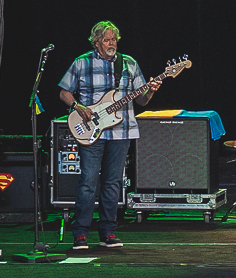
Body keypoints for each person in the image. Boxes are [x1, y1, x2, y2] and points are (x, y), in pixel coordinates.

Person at [57, 21, 166, 251]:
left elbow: (141, 100)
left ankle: (108, 231)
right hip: (90, 130)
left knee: (113, 183)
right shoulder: (82, 62)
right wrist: (79, 107)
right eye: (106, 40)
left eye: (114, 39)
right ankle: (80, 234)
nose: (111, 43)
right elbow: (64, 92)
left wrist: (151, 91)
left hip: (121, 130)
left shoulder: (129, 64)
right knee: (87, 182)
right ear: (96, 42)